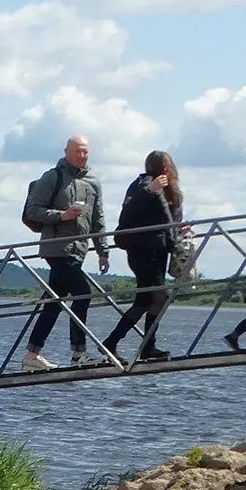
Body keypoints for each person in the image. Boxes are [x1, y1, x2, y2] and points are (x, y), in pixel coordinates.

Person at [20, 134, 112, 370]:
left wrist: (103, 251)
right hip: (57, 247)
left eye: (85, 151)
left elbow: (98, 219)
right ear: (66, 152)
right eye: (77, 151)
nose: (82, 156)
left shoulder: (93, 181)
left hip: (79, 249)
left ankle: (31, 356)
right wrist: (62, 215)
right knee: (82, 293)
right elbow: (33, 211)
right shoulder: (53, 177)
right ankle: (78, 352)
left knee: (53, 302)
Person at [107, 151, 182, 363]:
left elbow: (170, 220)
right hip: (142, 250)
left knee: (147, 299)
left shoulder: (172, 192)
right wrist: (150, 190)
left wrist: (178, 233)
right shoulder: (143, 185)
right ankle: (132, 345)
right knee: (157, 297)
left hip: (159, 250)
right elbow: (129, 212)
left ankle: (120, 343)